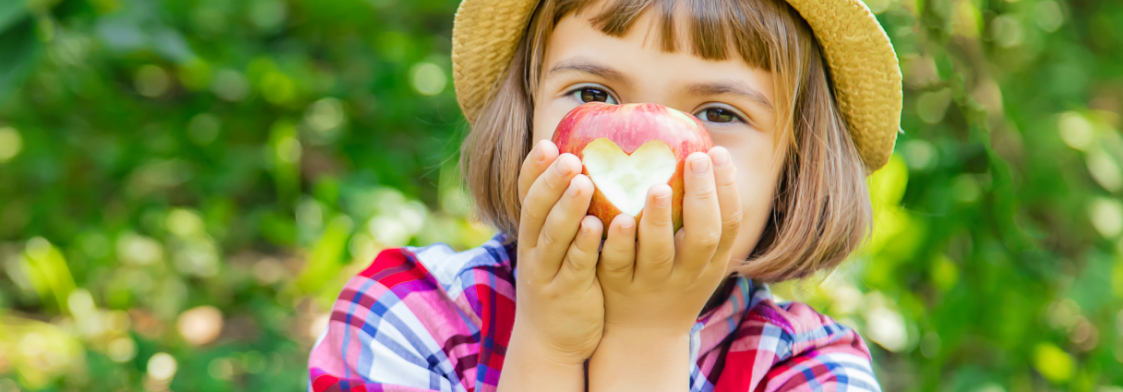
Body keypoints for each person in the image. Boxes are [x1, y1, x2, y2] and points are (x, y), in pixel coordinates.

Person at [308, 0, 901, 390]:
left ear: (793, 172)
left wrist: (647, 340)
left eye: (719, 111)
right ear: (525, 120)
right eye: (593, 95)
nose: (653, 148)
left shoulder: (808, 371)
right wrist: (548, 344)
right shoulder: (412, 317)